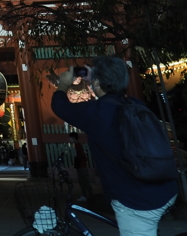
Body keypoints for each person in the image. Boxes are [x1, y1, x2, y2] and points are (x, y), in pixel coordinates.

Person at [50, 57, 177, 236]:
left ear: (97, 82)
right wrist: (97, 80)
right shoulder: (134, 104)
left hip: (137, 200)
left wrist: (63, 84)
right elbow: (107, 99)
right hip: (164, 187)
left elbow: (59, 105)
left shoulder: (96, 112)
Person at [70, 132, 93, 202]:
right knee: (82, 181)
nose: (70, 139)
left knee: (85, 181)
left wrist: (83, 161)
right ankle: (86, 196)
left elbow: (82, 155)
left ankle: (89, 196)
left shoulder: (78, 145)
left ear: (74, 138)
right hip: (80, 165)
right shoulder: (76, 145)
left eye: (71, 137)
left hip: (81, 166)